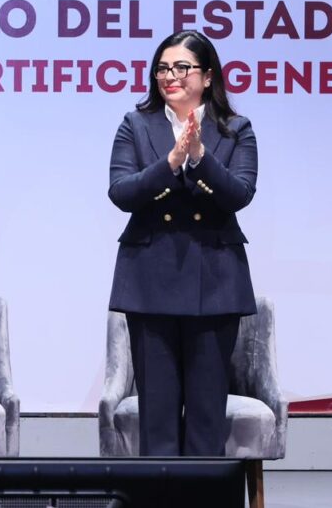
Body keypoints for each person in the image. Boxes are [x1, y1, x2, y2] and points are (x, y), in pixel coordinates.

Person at [108, 30, 258, 456]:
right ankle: (159, 492)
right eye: (162, 68)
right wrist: (172, 161)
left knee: (206, 421)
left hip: (215, 282)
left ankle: (204, 491)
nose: (169, 76)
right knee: (157, 420)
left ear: (207, 77)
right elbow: (121, 192)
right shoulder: (136, 124)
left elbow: (240, 194)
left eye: (181, 67)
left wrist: (199, 157)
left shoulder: (235, 129)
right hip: (150, 282)